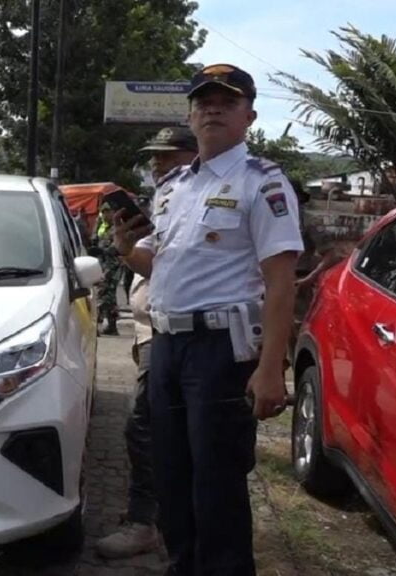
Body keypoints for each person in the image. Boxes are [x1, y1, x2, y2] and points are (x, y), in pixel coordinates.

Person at [113, 63, 303, 575]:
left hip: (221, 351)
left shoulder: (262, 183)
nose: (212, 108)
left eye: (226, 100)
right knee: (172, 479)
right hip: (169, 346)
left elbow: (281, 281)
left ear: (249, 116)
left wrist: (270, 369)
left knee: (216, 485)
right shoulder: (174, 185)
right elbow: (161, 262)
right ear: (191, 115)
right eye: (202, 101)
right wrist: (128, 249)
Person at [96, 126, 198, 559]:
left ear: (195, 157)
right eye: (155, 158)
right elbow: (151, 265)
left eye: (169, 157)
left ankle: (151, 523)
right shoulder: (163, 201)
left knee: (146, 427)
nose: (158, 165)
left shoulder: (197, 203)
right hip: (147, 330)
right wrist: (125, 245)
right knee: (152, 430)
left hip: (180, 332)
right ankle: (162, 523)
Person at [94, 202, 122, 335]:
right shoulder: (101, 226)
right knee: (109, 297)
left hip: (113, 265)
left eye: (107, 212)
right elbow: (95, 239)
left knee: (101, 292)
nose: (105, 215)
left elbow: (116, 247)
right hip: (102, 264)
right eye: (103, 212)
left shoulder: (118, 226)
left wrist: (102, 250)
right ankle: (112, 325)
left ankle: (95, 325)